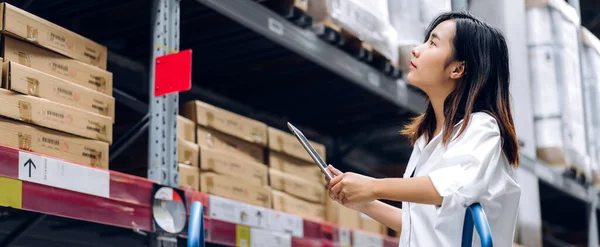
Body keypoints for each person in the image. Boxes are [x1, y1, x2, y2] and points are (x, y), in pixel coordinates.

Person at [326, 12, 521, 246]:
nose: (416, 50)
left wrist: (372, 187)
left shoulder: (482, 129)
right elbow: (421, 226)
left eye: (433, 43)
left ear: (458, 69)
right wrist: (361, 202)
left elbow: (453, 188)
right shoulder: (427, 140)